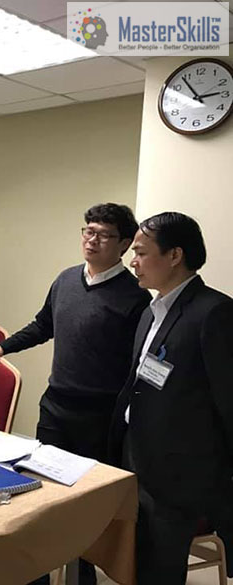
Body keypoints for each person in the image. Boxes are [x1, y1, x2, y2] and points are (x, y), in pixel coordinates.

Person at [0, 203, 151, 585]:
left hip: (99, 415)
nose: (92, 240)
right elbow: (43, 325)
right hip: (56, 405)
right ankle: (38, 571)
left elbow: (138, 364)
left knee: (84, 503)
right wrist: (4, 347)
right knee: (41, 492)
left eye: (103, 235)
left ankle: (79, 575)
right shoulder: (66, 279)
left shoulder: (135, 297)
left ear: (123, 244)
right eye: (88, 231)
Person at [109, 212, 233, 585]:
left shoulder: (214, 312)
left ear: (175, 255)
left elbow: (228, 401)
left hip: (180, 474)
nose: (132, 261)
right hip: (137, 454)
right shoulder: (152, 311)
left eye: (141, 252)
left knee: (160, 570)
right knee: (133, 560)